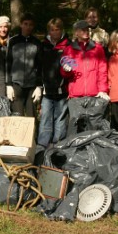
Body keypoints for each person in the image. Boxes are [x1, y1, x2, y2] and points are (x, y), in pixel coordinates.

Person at [61, 20, 109, 133]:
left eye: (87, 29)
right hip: (76, 96)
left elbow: (102, 70)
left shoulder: (97, 48)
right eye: (82, 30)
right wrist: (66, 70)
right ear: (76, 32)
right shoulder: (69, 49)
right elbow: (64, 73)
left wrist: (103, 90)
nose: (86, 32)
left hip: (95, 95)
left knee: (94, 128)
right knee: (75, 127)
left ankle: (94, 150)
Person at [38, 18, 70, 146]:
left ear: (61, 30)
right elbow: (38, 67)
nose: (55, 32)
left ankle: (59, 145)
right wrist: (39, 86)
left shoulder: (68, 45)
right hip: (47, 89)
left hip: (62, 89)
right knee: (45, 118)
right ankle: (43, 146)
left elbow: (71, 68)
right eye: (52, 30)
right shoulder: (43, 46)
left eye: (57, 30)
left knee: (60, 119)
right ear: (48, 31)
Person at [6, 13, 43, 117]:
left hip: (32, 85)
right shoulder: (13, 41)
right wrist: (8, 85)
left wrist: (39, 86)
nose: (28, 27)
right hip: (16, 84)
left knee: (31, 117)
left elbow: (40, 65)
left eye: (30, 24)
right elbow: (8, 63)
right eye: (25, 24)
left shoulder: (37, 43)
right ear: (21, 25)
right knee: (18, 117)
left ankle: (33, 134)